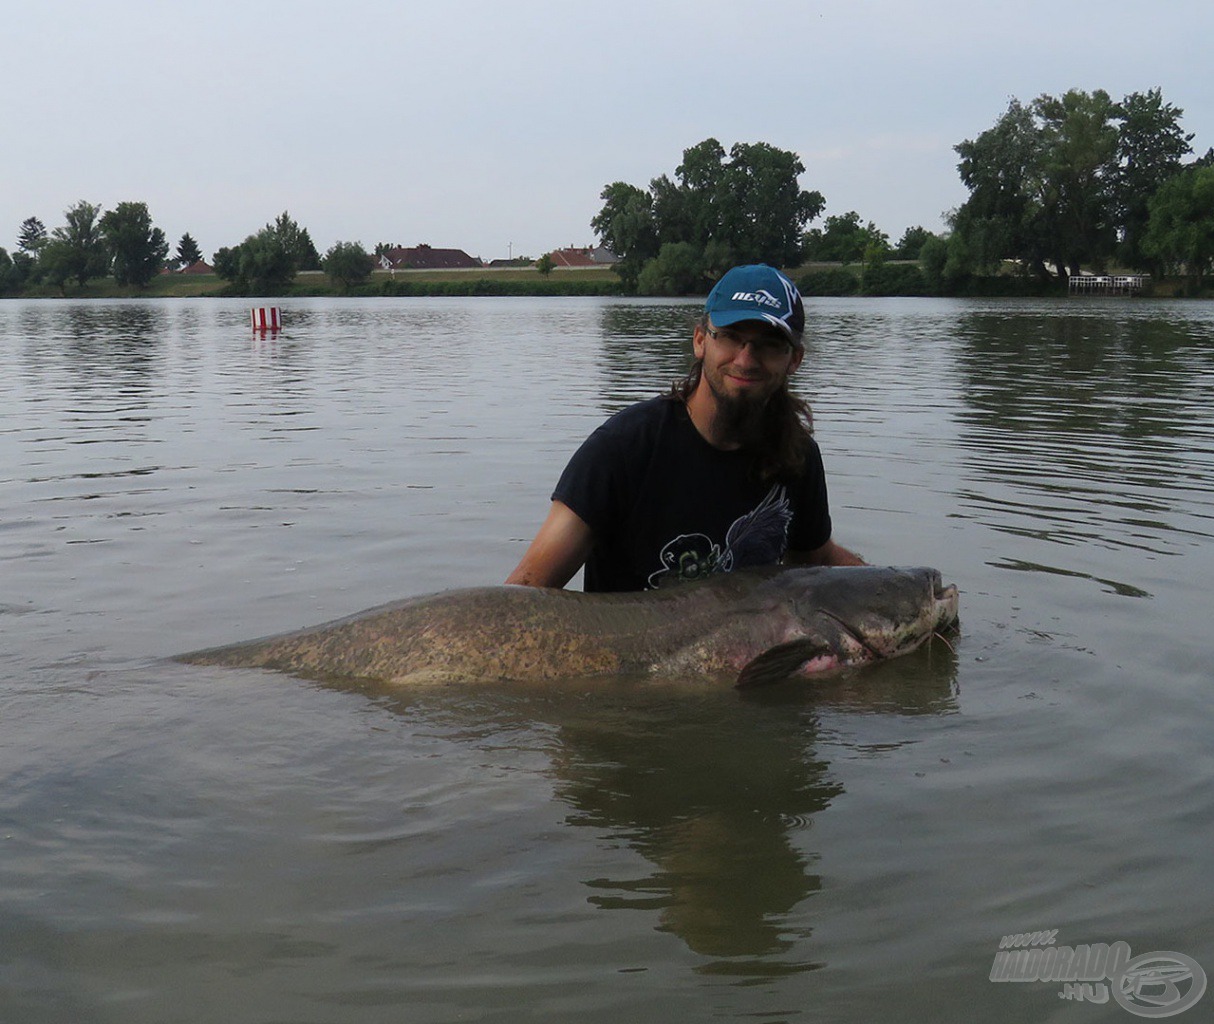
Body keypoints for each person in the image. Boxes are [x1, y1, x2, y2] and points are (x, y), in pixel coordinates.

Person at [506, 263, 864, 591]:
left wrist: (907, 594)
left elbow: (816, 565)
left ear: (795, 359)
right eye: (730, 336)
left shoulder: (797, 456)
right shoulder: (623, 448)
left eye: (769, 345)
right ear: (700, 340)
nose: (745, 359)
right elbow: (527, 587)